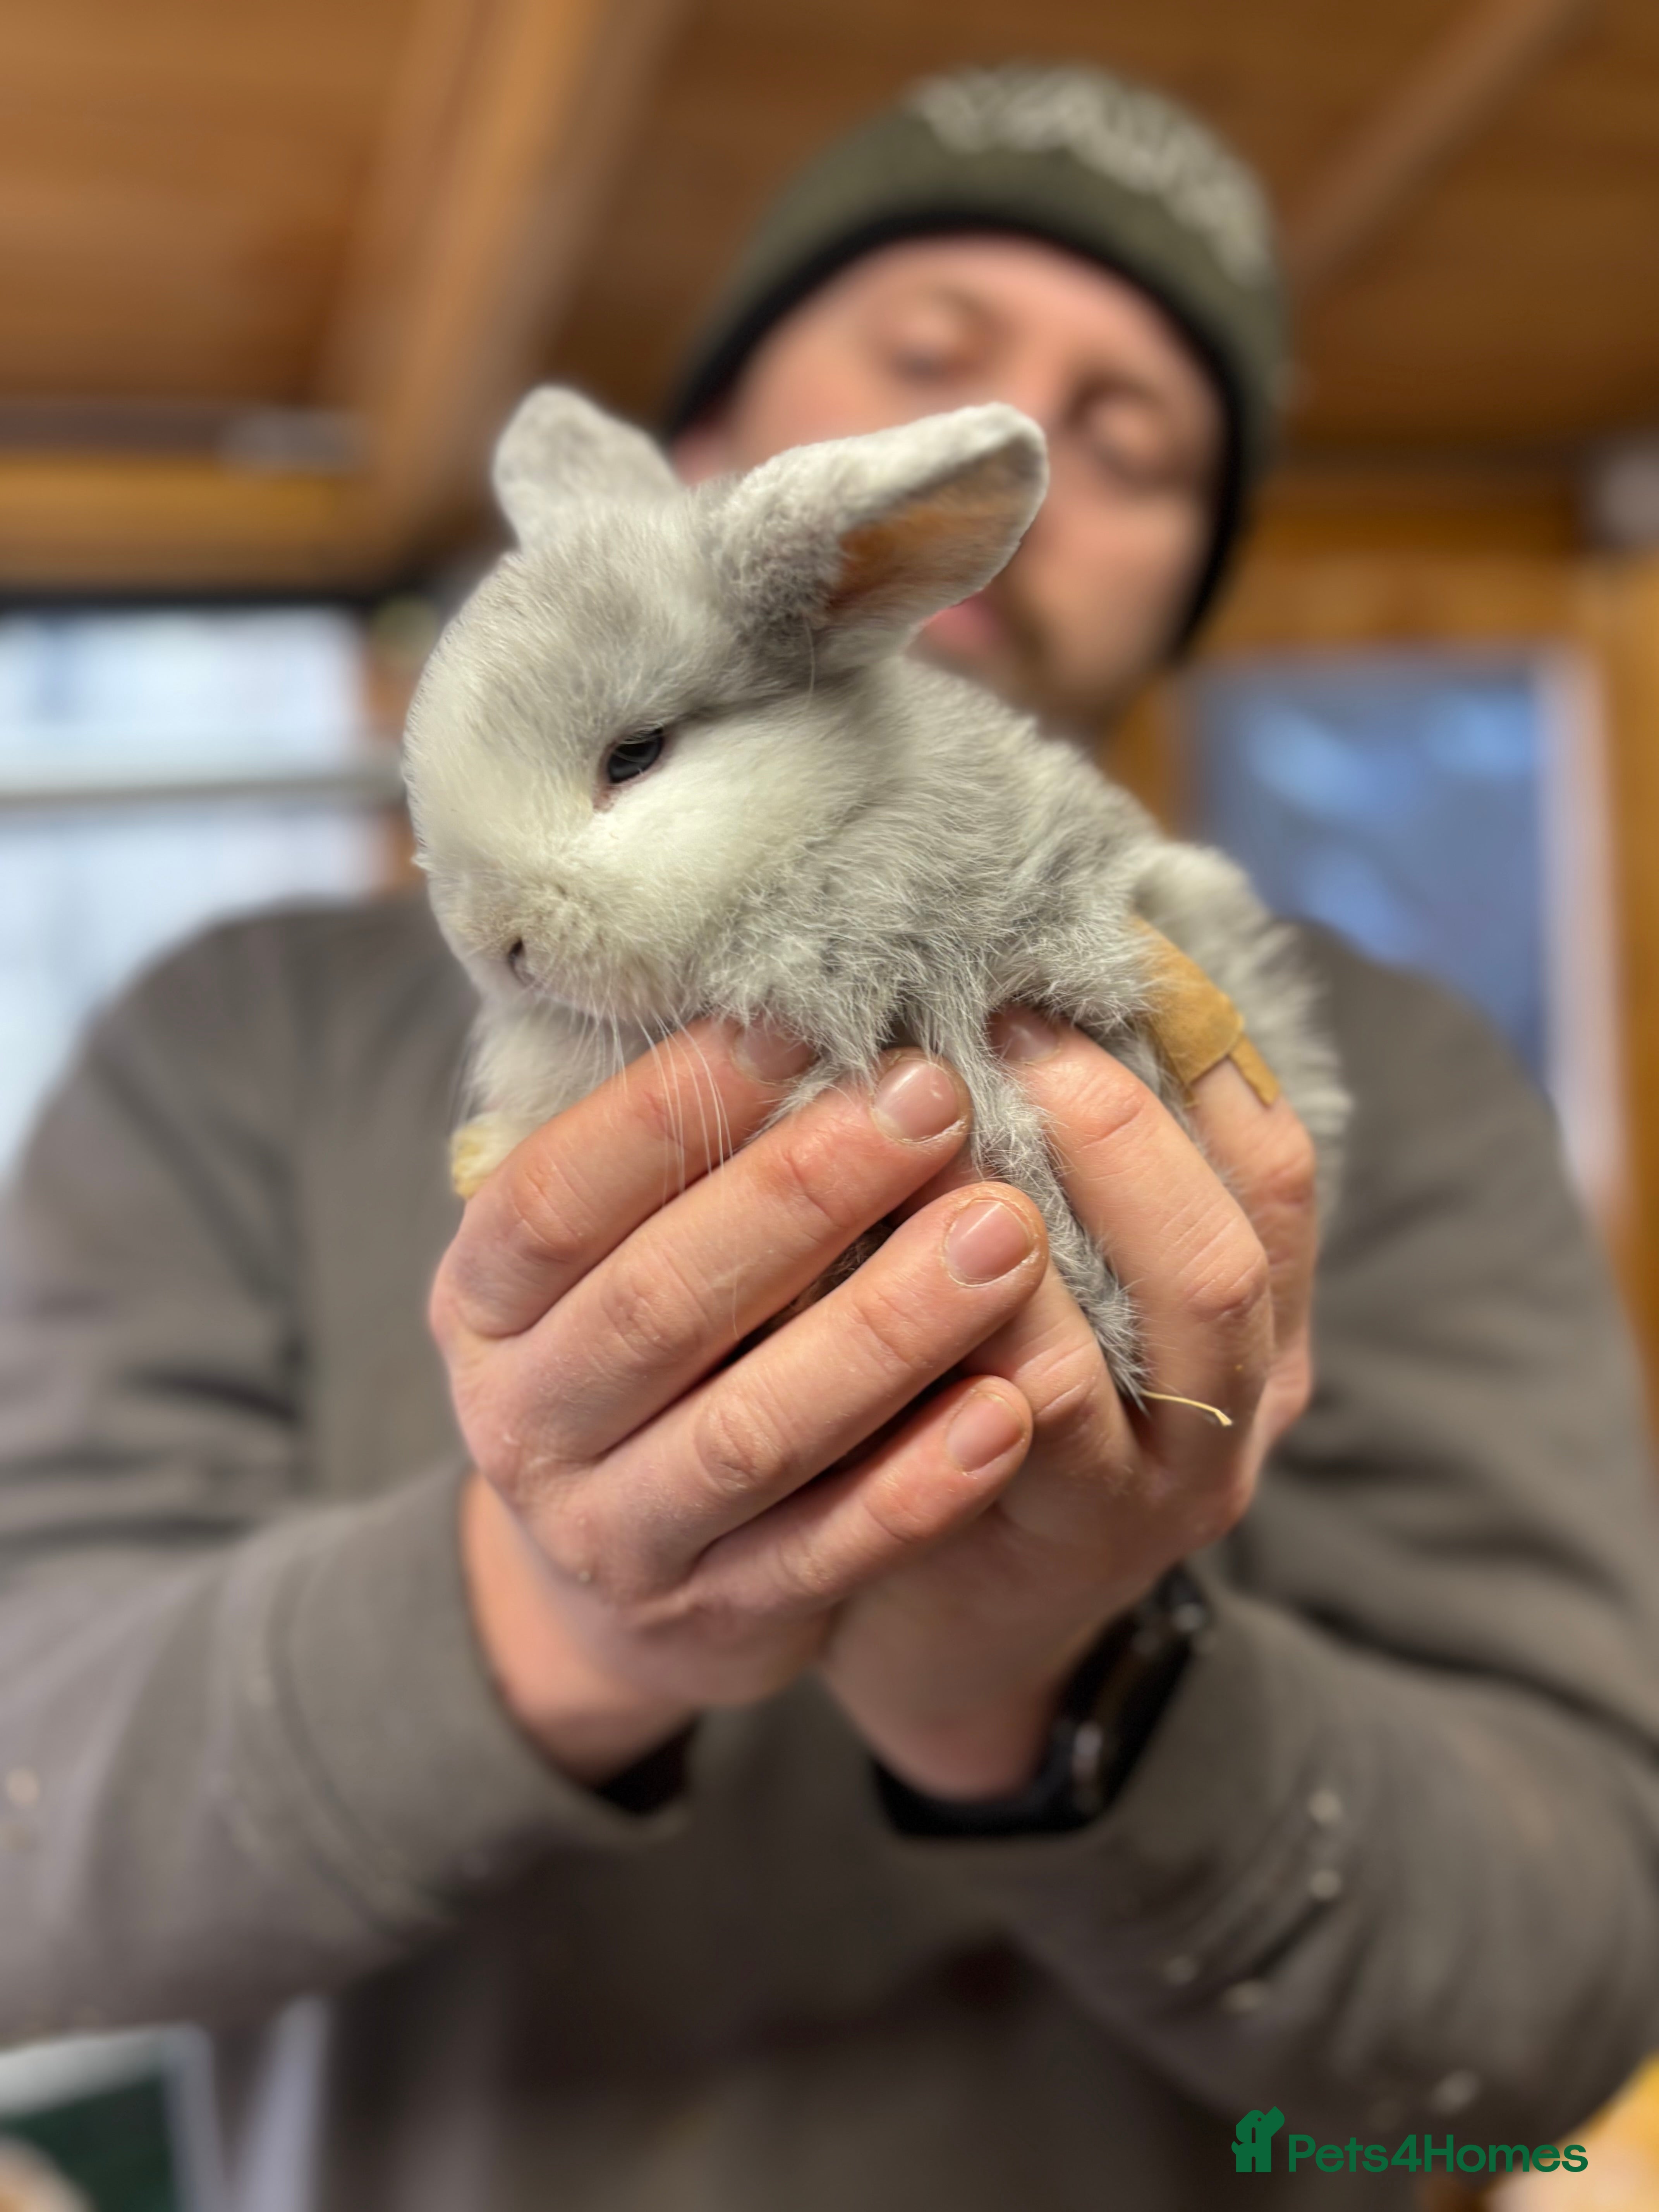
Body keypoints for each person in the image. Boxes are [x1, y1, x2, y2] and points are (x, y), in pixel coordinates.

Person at [2, 62, 1657, 2211]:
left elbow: (1565, 1983)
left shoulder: (1380, 1069)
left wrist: (1048, 1688)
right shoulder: (226, 1041)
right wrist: (567, 1614)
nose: (1047, 451)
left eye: (1135, 439)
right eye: (927, 348)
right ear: (713, 454)